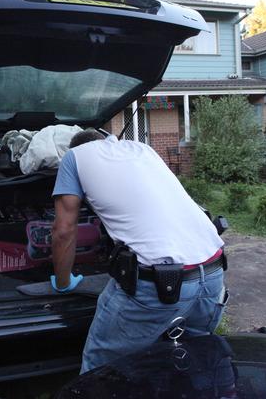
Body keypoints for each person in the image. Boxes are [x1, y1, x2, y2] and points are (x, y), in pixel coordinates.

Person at [50, 129, 226, 373]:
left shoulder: (74, 156)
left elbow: (63, 230)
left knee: (102, 372)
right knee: (194, 364)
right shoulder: (142, 149)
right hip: (213, 273)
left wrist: (63, 281)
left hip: (157, 286)